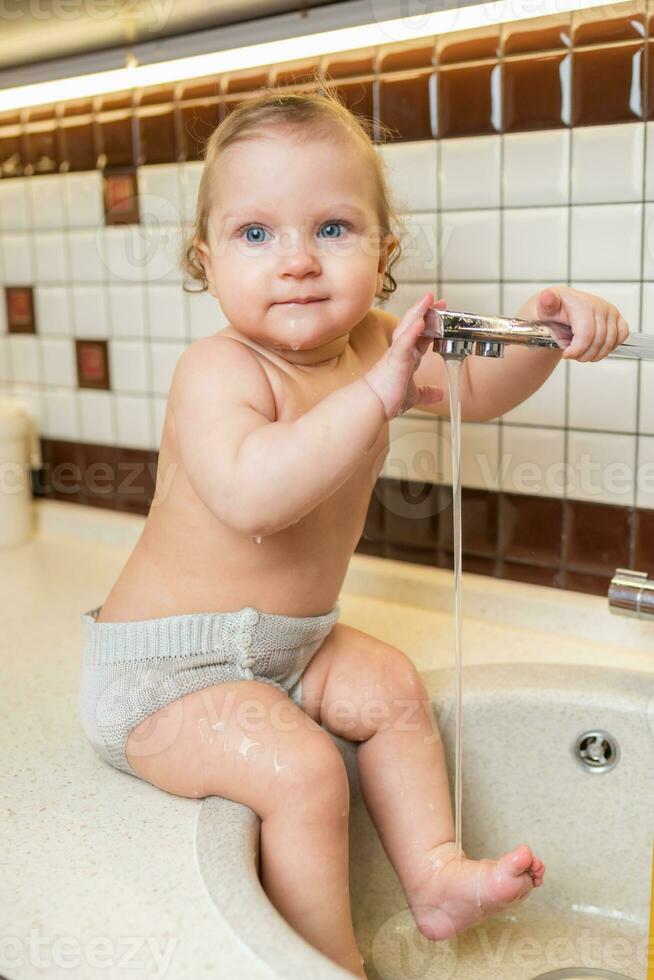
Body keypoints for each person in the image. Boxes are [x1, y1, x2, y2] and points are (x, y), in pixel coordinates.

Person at [78, 77, 629, 978]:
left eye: (331, 228)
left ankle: (438, 876)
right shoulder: (217, 371)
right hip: (160, 675)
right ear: (206, 262)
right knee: (299, 770)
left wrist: (541, 334)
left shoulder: (377, 344)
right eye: (256, 234)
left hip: (289, 647)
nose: (296, 260)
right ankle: (332, 963)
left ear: (383, 252)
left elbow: (478, 391)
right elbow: (256, 496)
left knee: (390, 685)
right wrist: (377, 396)